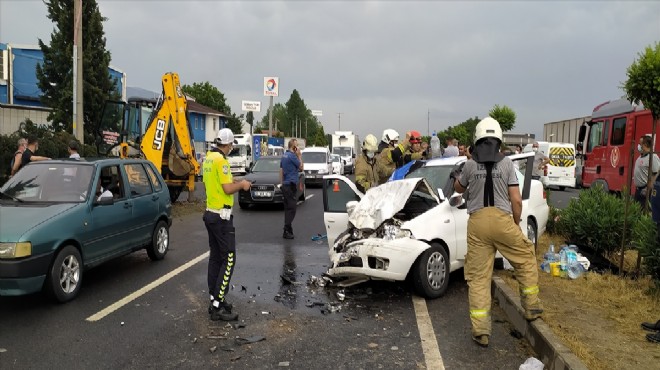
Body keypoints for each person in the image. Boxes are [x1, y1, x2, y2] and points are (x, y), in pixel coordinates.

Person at [453, 117, 542, 348]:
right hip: (503, 221)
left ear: (477, 140)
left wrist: (459, 173)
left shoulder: (470, 165)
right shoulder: (507, 164)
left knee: (479, 278)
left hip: (478, 223)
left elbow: (459, 189)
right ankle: (531, 306)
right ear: (499, 140)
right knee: (525, 257)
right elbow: (516, 199)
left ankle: (481, 331)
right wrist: (514, 222)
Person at [202, 128, 251, 321]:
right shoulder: (221, 161)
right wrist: (242, 186)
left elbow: (219, 182)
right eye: (231, 145)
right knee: (229, 259)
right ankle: (217, 306)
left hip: (210, 214)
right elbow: (227, 188)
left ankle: (215, 298)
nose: (231, 148)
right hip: (221, 218)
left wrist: (238, 180)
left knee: (215, 258)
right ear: (228, 144)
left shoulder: (208, 159)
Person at [280, 138, 303, 239]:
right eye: (296, 146)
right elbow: (301, 167)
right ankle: (286, 229)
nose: (297, 148)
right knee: (292, 208)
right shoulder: (293, 156)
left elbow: (281, 170)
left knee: (287, 208)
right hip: (291, 184)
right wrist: (299, 156)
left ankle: (288, 229)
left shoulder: (284, 156)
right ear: (293, 147)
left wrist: (281, 183)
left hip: (285, 184)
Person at [633, 135, 660, 209]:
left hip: (646, 191)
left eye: (640, 144)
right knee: (636, 212)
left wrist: (648, 188)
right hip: (638, 191)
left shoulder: (653, 157)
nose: (639, 146)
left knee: (644, 212)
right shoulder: (641, 156)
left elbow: (657, 174)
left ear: (645, 145)